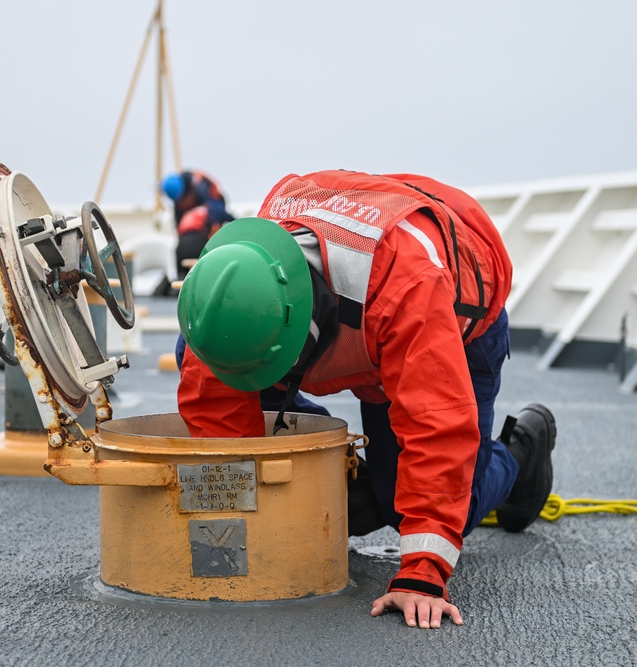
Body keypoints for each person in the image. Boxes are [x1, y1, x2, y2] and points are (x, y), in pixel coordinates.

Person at [176, 170, 556, 629]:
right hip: (369, 330)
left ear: (305, 331)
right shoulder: (232, 294)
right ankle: (358, 473)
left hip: (454, 319)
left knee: (412, 507)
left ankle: (519, 454)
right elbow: (215, 411)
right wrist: (234, 530)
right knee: (353, 503)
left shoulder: (408, 289)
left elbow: (438, 427)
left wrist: (422, 573)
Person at [160, 170, 235, 281]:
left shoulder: (201, 189)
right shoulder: (179, 202)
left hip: (206, 222)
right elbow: (178, 221)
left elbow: (218, 212)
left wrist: (234, 222)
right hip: (193, 231)